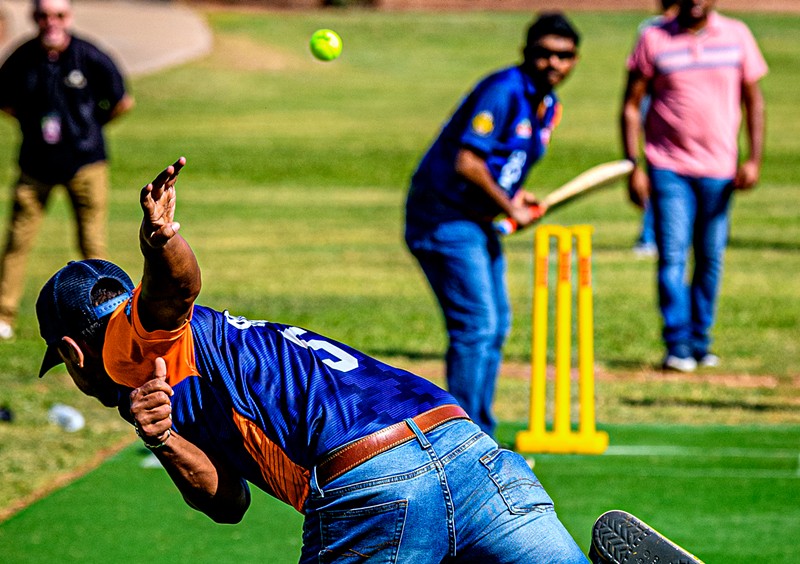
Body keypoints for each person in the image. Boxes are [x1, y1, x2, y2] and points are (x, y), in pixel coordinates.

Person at [36, 157, 590, 562]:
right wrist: (164, 439)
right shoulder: (192, 364)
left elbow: (175, 290)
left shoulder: (131, 346)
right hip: (470, 451)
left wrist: (162, 243)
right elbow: (229, 502)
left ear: (72, 353)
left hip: (376, 484)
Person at [404, 12, 580, 436]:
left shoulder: (547, 103)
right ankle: (465, 441)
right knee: (477, 326)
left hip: (475, 219)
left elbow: (502, 165)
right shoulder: (503, 90)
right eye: (545, 54)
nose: (554, 63)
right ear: (527, 53)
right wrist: (510, 207)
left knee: (496, 324)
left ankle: (479, 433)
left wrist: (513, 198)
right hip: (443, 219)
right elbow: (468, 162)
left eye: (565, 56)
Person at [620, 0, 767, 372]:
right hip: (668, 166)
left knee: (711, 257)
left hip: (720, 168)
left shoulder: (736, 35)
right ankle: (678, 343)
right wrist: (632, 165)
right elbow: (631, 105)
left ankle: (701, 340)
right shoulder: (654, 37)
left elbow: (754, 101)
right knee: (672, 255)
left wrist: (753, 159)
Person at [0, 0, 134, 340]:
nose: (51, 22)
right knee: (17, 241)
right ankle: (4, 315)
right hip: (35, 167)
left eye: (58, 15)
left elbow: (122, 99)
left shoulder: (89, 55)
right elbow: (5, 99)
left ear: (69, 17)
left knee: (92, 244)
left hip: (85, 164)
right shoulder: (22, 57)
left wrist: (90, 128)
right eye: (43, 15)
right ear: (34, 18)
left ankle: (108, 315)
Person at [630, 0, 680, 260]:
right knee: (659, 181)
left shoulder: (656, 28)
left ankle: (657, 237)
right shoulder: (653, 31)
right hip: (657, 121)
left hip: (673, 122)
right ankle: (650, 237)